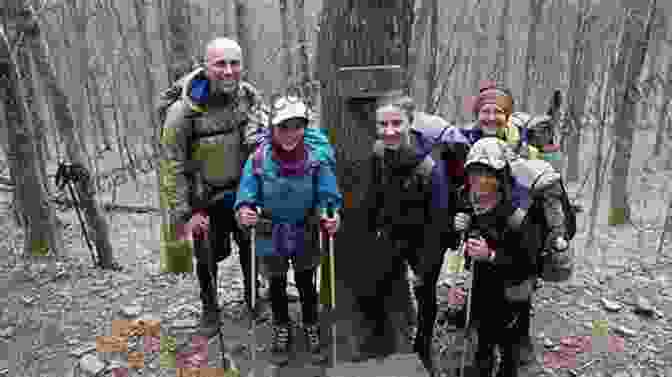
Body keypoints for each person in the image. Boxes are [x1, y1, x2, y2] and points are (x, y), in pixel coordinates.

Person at [160, 37, 268, 338]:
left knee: (250, 248)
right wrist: (186, 214)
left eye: (235, 63)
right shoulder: (183, 112)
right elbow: (172, 165)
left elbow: (261, 144)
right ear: (206, 66)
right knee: (207, 258)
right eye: (221, 64)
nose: (229, 71)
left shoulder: (249, 98)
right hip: (203, 199)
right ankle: (210, 309)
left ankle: (253, 298)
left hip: (242, 193)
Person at [234, 95, 342, 364]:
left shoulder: (316, 159)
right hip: (271, 232)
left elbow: (328, 195)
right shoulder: (259, 159)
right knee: (277, 285)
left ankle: (311, 324)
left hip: (305, 230)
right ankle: (281, 327)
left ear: (305, 127)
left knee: (306, 284)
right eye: (284, 126)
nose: (291, 133)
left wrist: (331, 214)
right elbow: (246, 194)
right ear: (273, 128)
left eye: (297, 126)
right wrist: (244, 210)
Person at [359, 92, 453, 375]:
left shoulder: (429, 168)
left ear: (410, 123)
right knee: (377, 286)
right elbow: (374, 195)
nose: (389, 131)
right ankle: (383, 345)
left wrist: (424, 266)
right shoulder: (378, 153)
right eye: (382, 124)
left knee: (425, 296)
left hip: (425, 239)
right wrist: (372, 228)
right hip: (391, 233)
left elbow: (439, 220)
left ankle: (423, 349)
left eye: (396, 124)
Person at [452, 137, 544, 377]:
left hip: (511, 297)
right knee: (483, 346)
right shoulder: (469, 204)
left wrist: (491, 255)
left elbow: (529, 264)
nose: (480, 180)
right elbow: (459, 247)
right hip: (481, 291)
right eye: (475, 173)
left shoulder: (519, 216)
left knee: (509, 353)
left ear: (501, 177)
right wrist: (458, 227)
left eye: (487, 174)